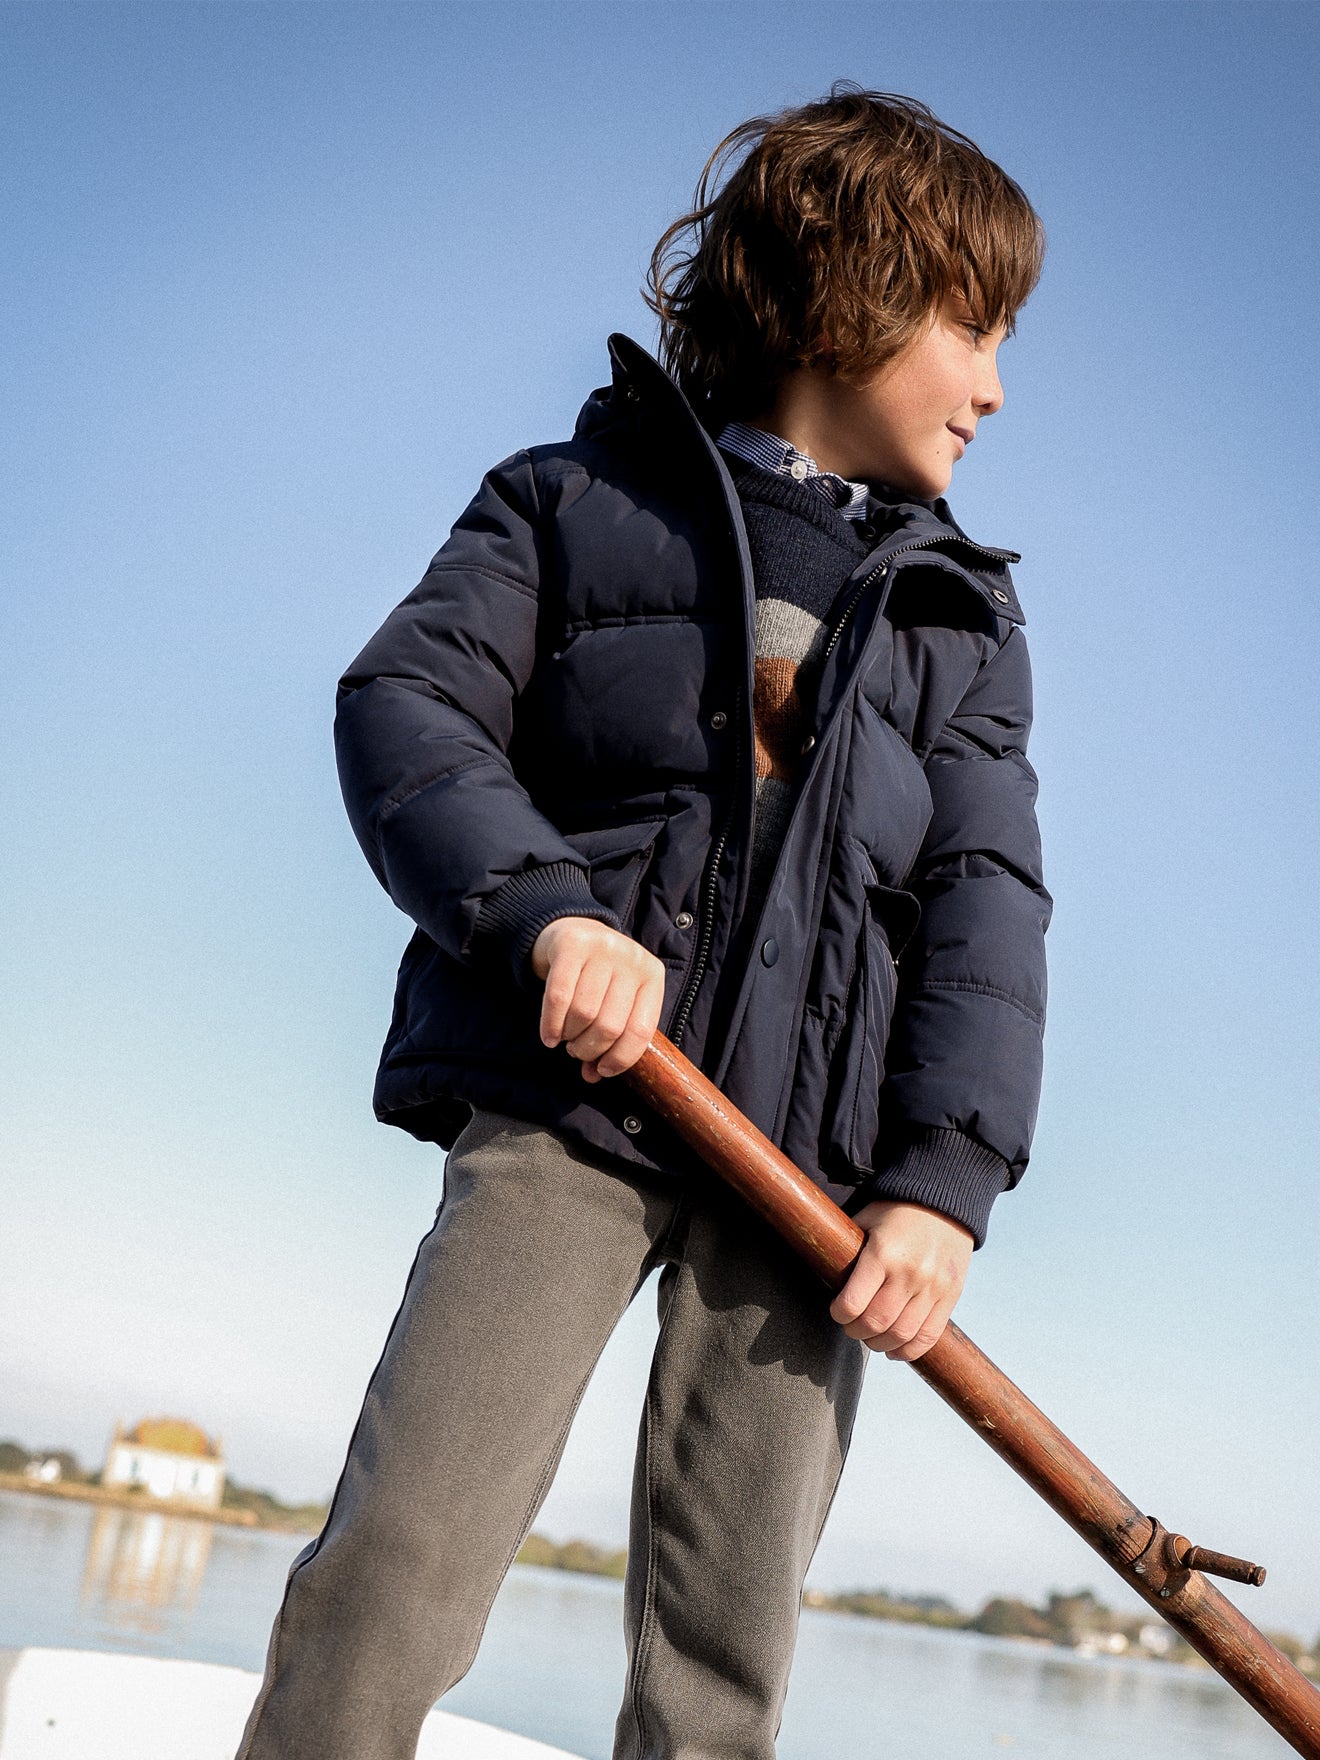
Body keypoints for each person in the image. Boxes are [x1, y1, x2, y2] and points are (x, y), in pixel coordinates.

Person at [237, 85, 1051, 1760]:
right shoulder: (567, 500)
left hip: (810, 1191)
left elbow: (989, 914)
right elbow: (408, 710)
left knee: (722, 1661)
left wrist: (941, 1189)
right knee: (397, 1569)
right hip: (576, 1112)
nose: (991, 384)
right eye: (970, 325)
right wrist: (543, 916)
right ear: (848, 292)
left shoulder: (963, 629)